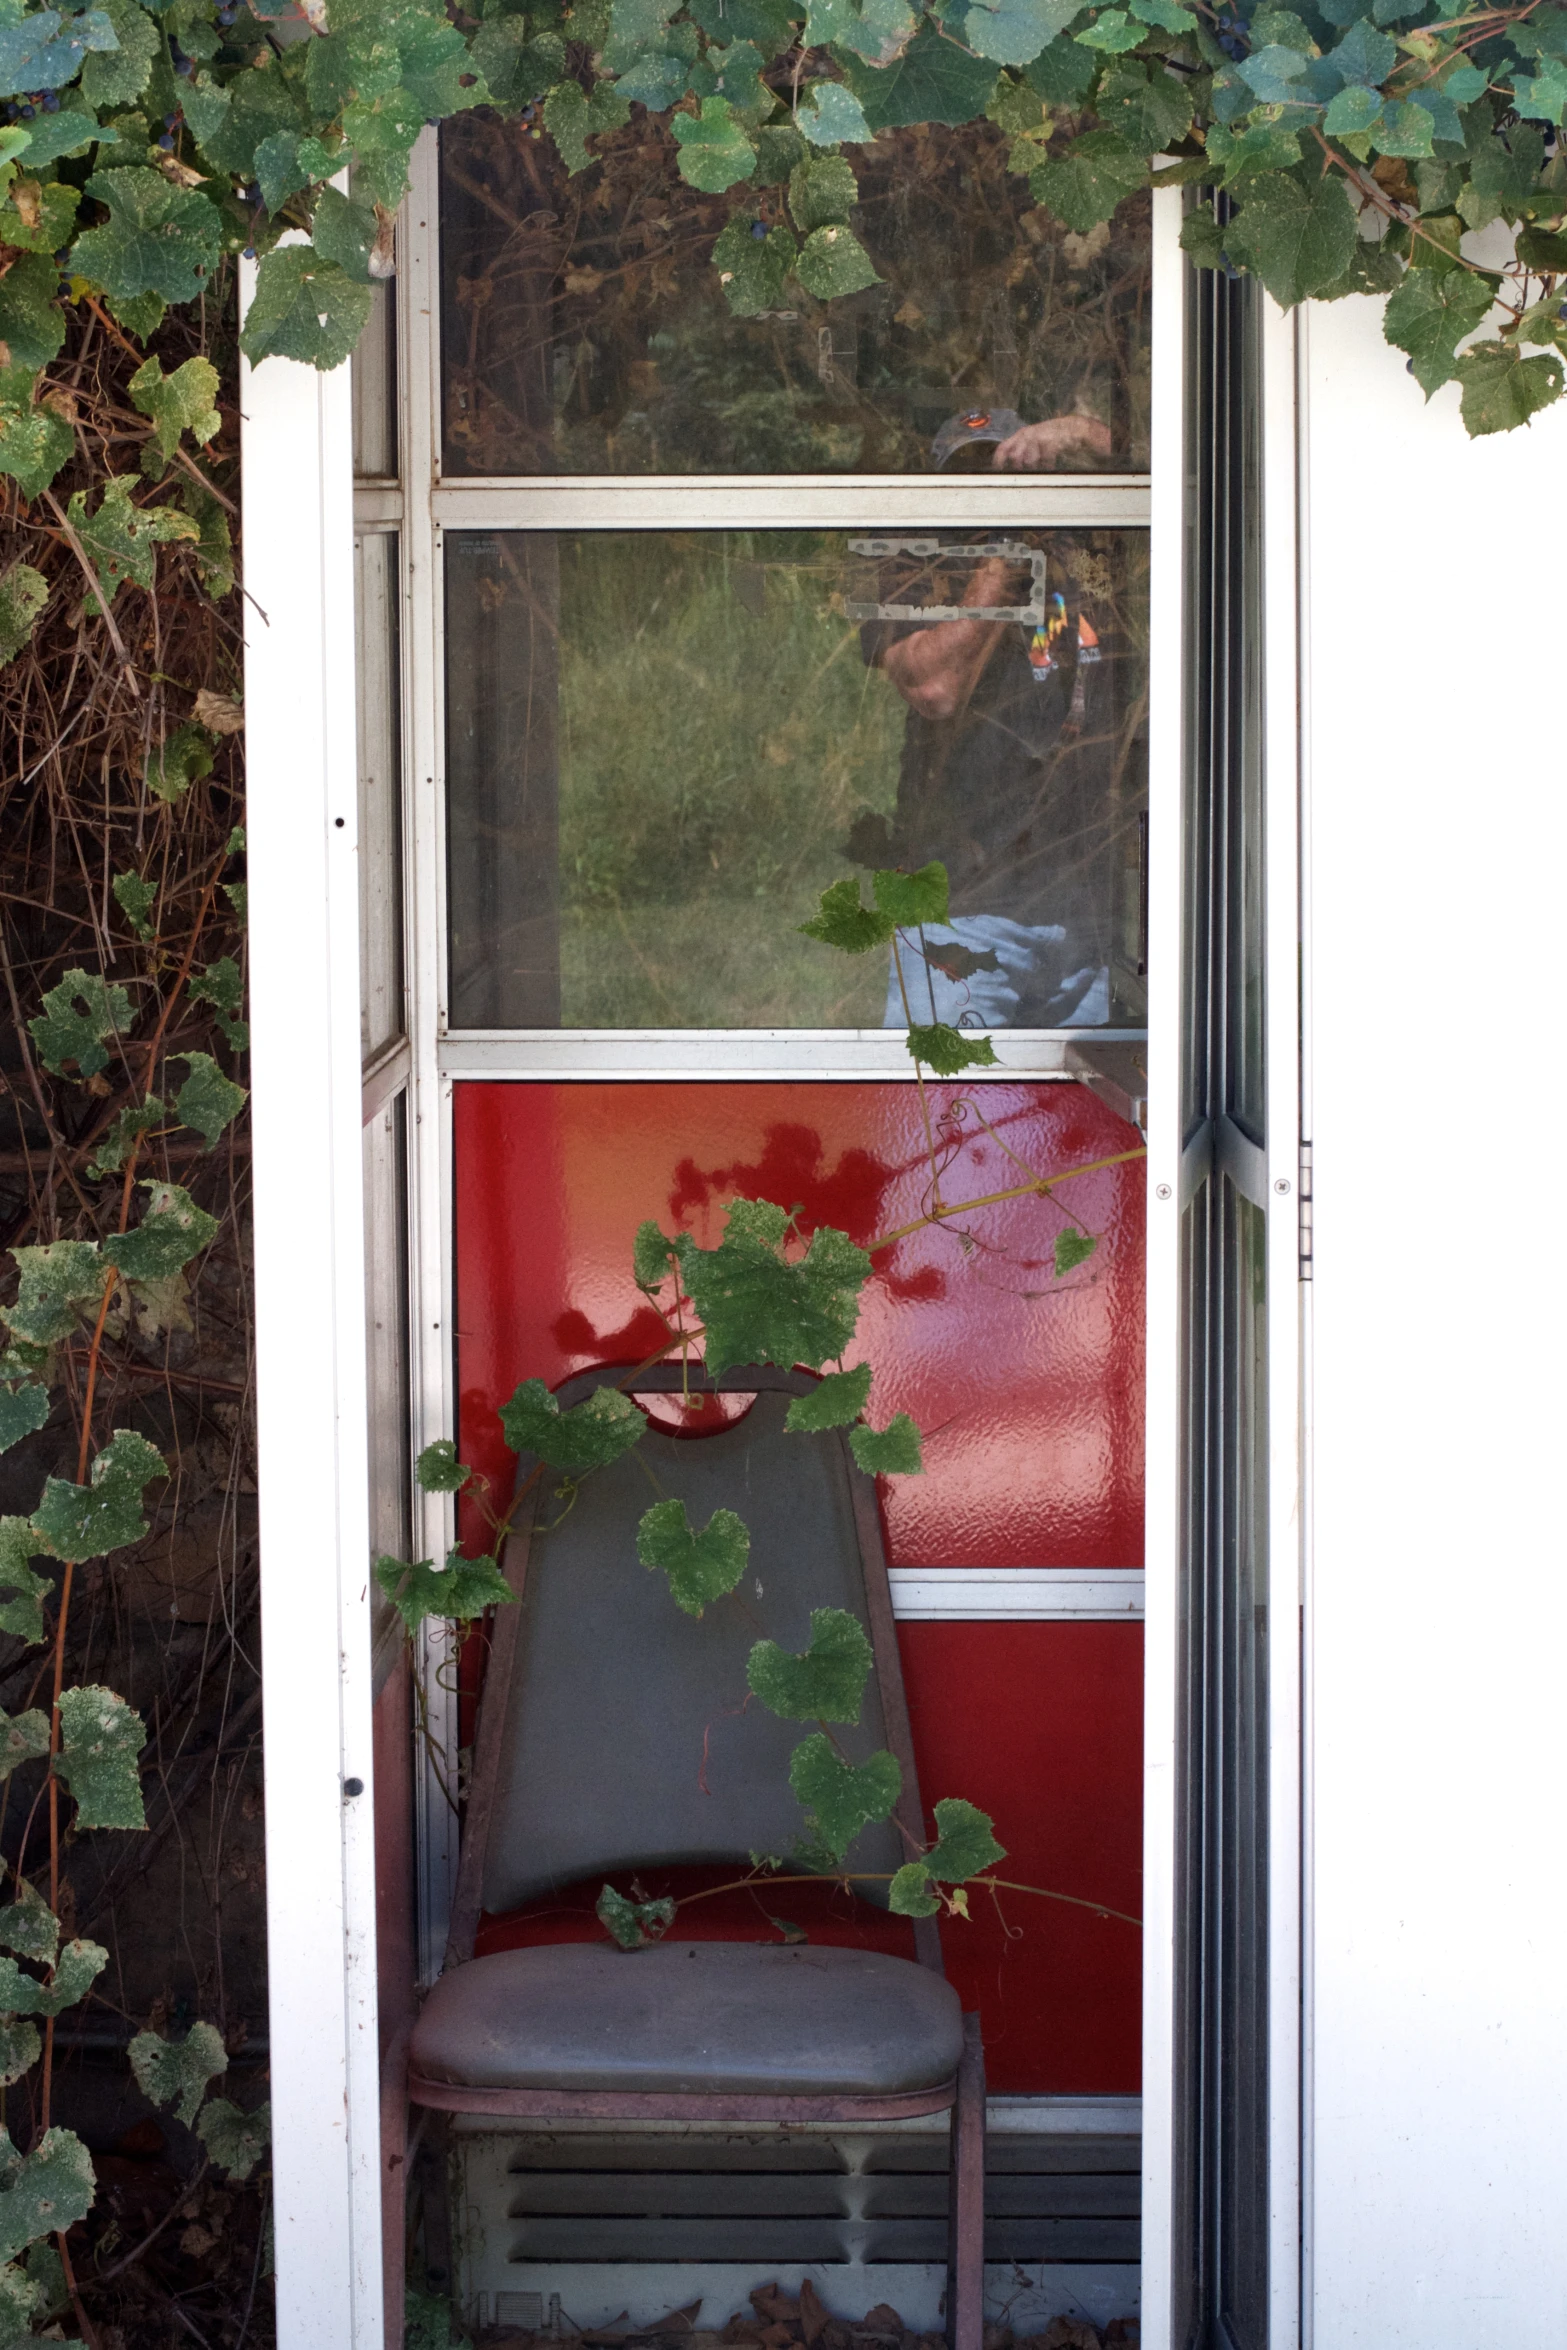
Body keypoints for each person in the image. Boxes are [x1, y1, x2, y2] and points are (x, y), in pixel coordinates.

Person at [860, 406, 1132, 1032]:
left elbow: (1188, 472)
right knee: (950, 1120)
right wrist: (1005, 558)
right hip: (966, 915)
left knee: (1081, 1130)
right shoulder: (921, 570)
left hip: (1089, 922)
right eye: (976, 483)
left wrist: (1083, 435)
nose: (995, 497)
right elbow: (936, 687)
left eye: (1012, 474)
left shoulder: (1087, 555)